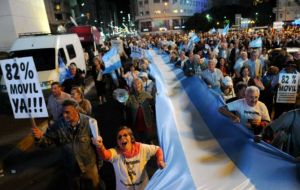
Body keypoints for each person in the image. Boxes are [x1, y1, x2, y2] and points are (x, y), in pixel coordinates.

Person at [32, 99, 102, 190]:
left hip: (89, 166)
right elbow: (47, 142)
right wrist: (39, 138)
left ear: (76, 111)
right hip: (71, 169)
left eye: (67, 112)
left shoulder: (90, 123)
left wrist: (99, 165)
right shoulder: (57, 125)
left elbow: (98, 145)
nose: (64, 115)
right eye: (63, 113)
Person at [92, 126, 166, 190]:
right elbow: (105, 155)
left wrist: (160, 160)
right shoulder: (116, 153)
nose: (122, 138)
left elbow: (157, 149)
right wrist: (100, 146)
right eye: (119, 137)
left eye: (125, 135)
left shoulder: (141, 148)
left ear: (131, 137)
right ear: (117, 142)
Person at [126, 78, 155, 143]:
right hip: (136, 125)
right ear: (132, 86)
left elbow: (154, 103)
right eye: (135, 84)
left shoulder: (146, 95)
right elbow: (126, 106)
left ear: (141, 85)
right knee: (139, 143)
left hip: (147, 123)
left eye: (138, 83)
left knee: (148, 142)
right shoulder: (131, 97)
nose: (137, 85)